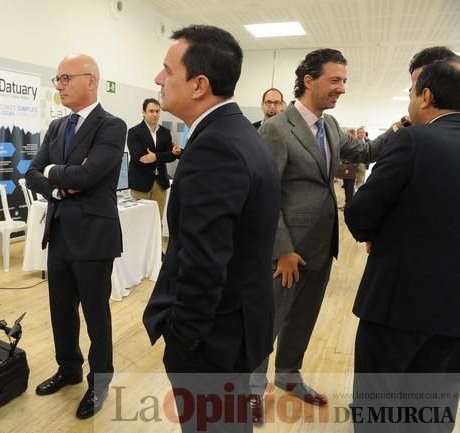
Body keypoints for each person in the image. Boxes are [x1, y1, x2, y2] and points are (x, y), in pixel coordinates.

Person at [142, 25, 280, 433]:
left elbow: (204, 261)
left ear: (199, 84)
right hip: (237, 327)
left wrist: (183, 342)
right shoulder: (239, 134)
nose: (157, 79)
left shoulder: (215, 147)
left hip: (213, 341)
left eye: (167, 70)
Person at [252, 48, 397, 424]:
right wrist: (281, 249)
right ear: (309, 80)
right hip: (286, 252)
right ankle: (251, 388)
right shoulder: (275, 129)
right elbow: (264, 197)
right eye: (335, 80)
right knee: (269, 321)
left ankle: (288, 375)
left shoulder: (330, 126)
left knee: (303, 319)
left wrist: (402, 126)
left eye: (344, 81)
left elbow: (365, 150)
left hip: (321, 246)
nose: (342, 89)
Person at [346, 52, 460, 433]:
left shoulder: (412, 141)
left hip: (397, 310)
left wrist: (379, 232)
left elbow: (361, 215)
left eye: (411, 91)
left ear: (425, 96)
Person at [25, 53, 126, 420]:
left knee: (95, 314)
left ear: (92, 80)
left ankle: (99, 382)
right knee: (60, 311)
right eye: (57, 79)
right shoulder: (57, 127)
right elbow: (31, 173)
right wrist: (57, 184)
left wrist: (57, 173)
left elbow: (89, 177)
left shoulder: (111, 126)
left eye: (66, 78)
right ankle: (68, 369)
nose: (60, 85)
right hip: (60, 232)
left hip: (94, 236)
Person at [127, 98, 177, 220]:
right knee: (139, 222)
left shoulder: (165, 132)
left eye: (157, 111)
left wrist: (155, 157)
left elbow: (172, 155)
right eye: (151, 111)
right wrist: (162, 156)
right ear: (143, 113)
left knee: (156, 221)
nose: (155, 114)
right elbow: (138, 157)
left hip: (160, 184)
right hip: (140, 184)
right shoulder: (134, 132)